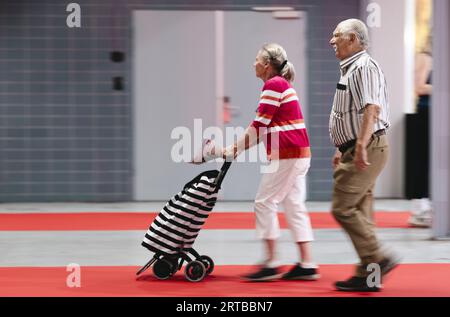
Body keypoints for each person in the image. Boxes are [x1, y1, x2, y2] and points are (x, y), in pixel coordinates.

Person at [212, 43, 319, 282]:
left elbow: (259, 125)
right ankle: (307, 263)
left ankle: (271, 263)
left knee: (264, 202)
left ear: (267, 65)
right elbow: (262, 129)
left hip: (288, 154)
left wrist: (234, 149)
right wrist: (236, 150)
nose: (254, 63)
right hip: (299, 153)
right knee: (294, 205)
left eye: (257, 60)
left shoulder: (273, 85)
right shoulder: (282, 85)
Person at [328, 19, 400, 292]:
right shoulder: (350, 68)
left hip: (367, 146)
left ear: (355, 39)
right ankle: (368, 277)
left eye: (337, 35)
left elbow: (372, 108)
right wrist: (342, 146)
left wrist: (359, 145)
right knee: (361, 212)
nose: (332, 41)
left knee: (342, 208)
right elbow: (350, 113)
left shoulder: (363, 67)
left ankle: (379, 257)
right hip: (358, 145)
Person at [408, 35, 433, 228]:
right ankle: (420, 206)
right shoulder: (425, 57)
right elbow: (419, 87)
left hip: (439, 114)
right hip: (426, 114)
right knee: (423, 160)